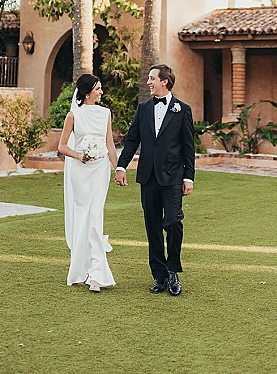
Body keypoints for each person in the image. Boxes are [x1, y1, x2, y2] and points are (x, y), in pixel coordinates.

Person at [115, 64, 195, 296]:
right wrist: (121, 166)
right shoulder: (143, 109)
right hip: (148, 177)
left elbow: (188, 147)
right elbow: (132, 140)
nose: (148, 82)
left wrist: (188, 177)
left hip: (173, 177)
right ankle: (159, 275)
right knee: (152, 226)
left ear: (164, 81)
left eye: (152, 78)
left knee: (173, 221)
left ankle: (173, 271)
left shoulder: (183, 110)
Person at [58, 73, 117, 292]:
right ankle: (80, 271)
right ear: (86, 92)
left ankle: (97, 275)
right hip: (80, 171)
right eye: (98, 88)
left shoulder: (105, 113)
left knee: (94, 216)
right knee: (83, 217)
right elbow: (62, 146)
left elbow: (109, 143)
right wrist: (78, 155)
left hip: (100, 170)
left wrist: (118, 169)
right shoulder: (73, 115)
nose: (101, 92)